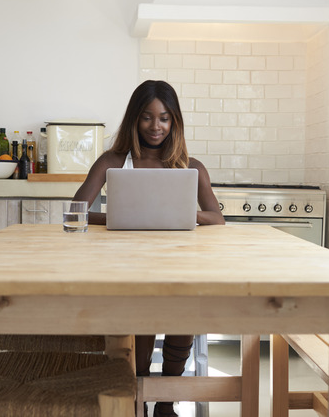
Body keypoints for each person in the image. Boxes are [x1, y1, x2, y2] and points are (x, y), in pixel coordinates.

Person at [73, 80, 225, 417]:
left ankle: (166, 401)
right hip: (127, 267)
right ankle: (138, 394)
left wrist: (186, 212)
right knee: (141, 310)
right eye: (146, 117)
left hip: (179, 266)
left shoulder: (191, 166)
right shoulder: (113, 161)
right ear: (134, 119)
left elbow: (217, 218)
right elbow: (77, 209)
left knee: (183, 307)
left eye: (164, 118)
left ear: (174, 123)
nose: (155, 126)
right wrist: (118, 216)